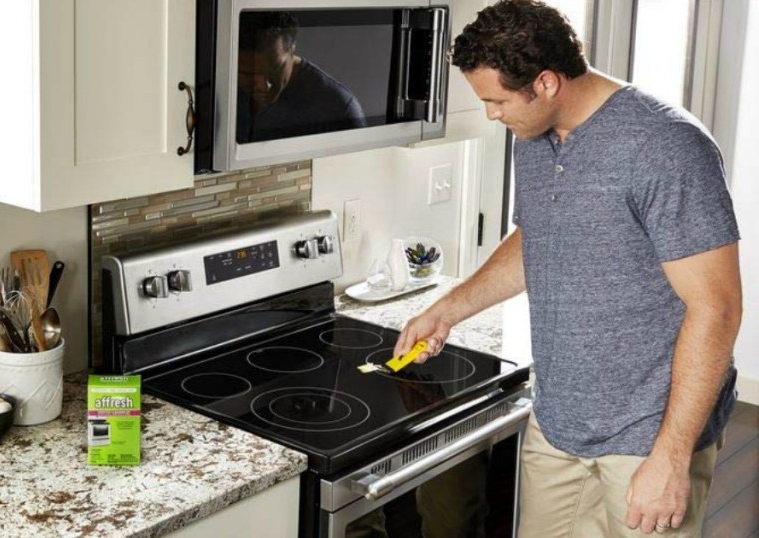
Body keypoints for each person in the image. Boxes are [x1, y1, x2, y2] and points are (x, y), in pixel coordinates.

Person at [393, 1, 742, 536]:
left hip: (647, 435)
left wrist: (670, 457)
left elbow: (716, 308)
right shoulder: (533, 135)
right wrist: (449, 308)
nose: (491, 114)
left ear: (548, 82)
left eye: (497, 100)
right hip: (558, 421)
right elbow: (540, 236)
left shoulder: (665, 146)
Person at [236, 11, 366, 143]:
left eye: (275, 69)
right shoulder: (218, 83)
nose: (264, 85)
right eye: (248, 74)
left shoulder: (339, 110)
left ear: (292, 47)